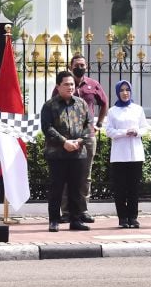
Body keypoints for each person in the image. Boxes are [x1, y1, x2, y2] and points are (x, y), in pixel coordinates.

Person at [52, 54, 108, 224]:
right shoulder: (63, 86)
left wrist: (99, 124)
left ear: (86, 66)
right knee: (66, 175)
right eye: (77, 65)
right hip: (68, 138)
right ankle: (67, 212)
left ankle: (82, 210)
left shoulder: (93, 85)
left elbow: (104, 103)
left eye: (82, 65)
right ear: (70, 66)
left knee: (85, 176)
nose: (80, 67)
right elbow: (53, 106)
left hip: (88, 136)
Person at [41, 71, 93, 232]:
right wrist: (64, 142)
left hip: (78, 153)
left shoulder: (81, 104)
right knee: (57, 188)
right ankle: (54, 220)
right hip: (57, 154)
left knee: (76, 187)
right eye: (66, 84)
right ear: (58, 86)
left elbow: (89, 124)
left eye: (72, 84)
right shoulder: (50, 105)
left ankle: (76, 220)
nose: (70, 87)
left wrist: (79, 141)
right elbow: (47, 128)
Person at [106, 80, 150, 228]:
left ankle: (133, 217)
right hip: (119, 155)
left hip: (136, 154)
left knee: (134, 188)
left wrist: (137, 132)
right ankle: (122, 218)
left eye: (127, 90)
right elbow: (109, 131)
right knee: (120, 188)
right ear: (118, 92)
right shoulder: (112, 111)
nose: (125, 93)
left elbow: (145, 128)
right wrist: (124, 132)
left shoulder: (138, 109)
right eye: (122, 90)